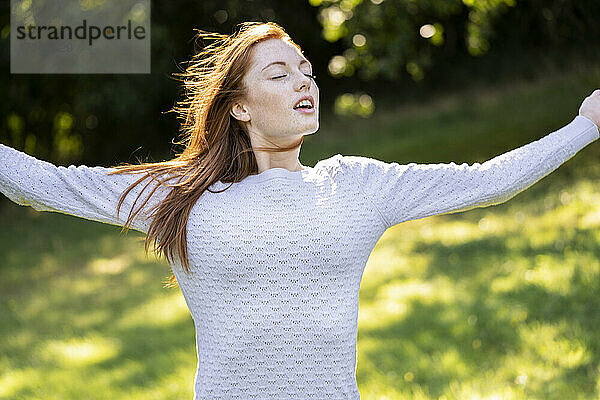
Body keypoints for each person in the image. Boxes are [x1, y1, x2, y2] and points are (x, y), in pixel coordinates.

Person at [1, 21, 599, 400]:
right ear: (239, 106)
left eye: (307, 72)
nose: (303, 83)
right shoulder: (181, 196)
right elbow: (43, 183)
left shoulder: (356, 186)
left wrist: (585, 126)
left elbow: (489, 183)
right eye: (280, 74)